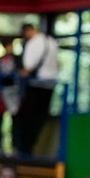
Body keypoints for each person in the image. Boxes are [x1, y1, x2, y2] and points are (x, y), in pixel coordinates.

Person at [14, 23, 59, 155]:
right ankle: (33, 147)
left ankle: (25, 150)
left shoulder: (34, 43)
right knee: (40, 119)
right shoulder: (51, 41)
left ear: (27, 32)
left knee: (28, 120)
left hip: (36, 85)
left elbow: (28, 67)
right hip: (50, 84)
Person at [0, 37, 21, 154]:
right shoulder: (0, 60)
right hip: (2, 93)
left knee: (16, 121)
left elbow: (22, 73)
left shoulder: (17, 59)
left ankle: (15, 147)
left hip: (14, 92)